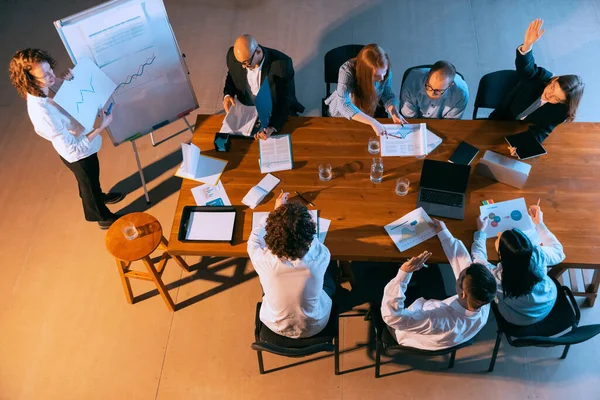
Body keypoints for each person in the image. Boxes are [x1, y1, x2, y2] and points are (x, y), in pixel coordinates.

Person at [9, 48, 123, 230]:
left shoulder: (43, 89)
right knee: (88, 182)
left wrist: (68, 81)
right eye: (44, 75)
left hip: (81, 140)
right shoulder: (42, 112)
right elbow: (74, 149)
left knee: (90, 180)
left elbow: (61, 91)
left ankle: (98, 196)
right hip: (78, 153)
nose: (51, 75)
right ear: (29, 80)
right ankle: (102, 217)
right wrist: (102, 125)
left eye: (49, 70)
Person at [380, 221, 497, 350]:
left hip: (405, 330)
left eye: (459, 279)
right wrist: (443, 232)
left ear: (463, 293)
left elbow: (393, 317)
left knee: (382, 278)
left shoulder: (437, 321)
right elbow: (464, 262)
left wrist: (403, 274)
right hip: (439, 321)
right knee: (431, 270)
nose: (459, 275)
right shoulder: (483, 298)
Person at [489, 19, 584, 156]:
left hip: (519, 129)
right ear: (554, 79)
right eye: (552, 88)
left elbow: (543, 131)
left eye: (556, 98)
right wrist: (527, 45)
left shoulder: (562, 111)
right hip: (501, 116)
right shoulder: (541, 77)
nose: (548, 95)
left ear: (563, 102)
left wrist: (524, 145)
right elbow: (526, 69)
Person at [247, 192, 336, 338]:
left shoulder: (262, 260)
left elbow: (253, 241)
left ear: (270, 237)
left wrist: (275, 213)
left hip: (276, 326)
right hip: (315, 325)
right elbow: (314, 240)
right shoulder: (321, 255)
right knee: (330, 275)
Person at [473, 204, 565, 325]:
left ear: (501, 254)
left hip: (518, 318)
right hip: (546, 303)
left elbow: (478, 260)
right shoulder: (538, 254)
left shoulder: (496, 277)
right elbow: (559, 253)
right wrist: (539, 223)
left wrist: (480, 232)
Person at [223, 34, 304, 140]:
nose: (243, 66)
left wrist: (272, 127)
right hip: (246, 107)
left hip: (272, 110)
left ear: (258, 52)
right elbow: (231, 75)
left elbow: (285, 100)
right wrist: (227, 94)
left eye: (246, 63)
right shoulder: (233, 56)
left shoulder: (282, 64)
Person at [324, 44, 406, 136]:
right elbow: (344, 105)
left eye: (384, 72)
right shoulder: (346, 70)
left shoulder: (384, 69)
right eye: (375, 75)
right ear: (365, 72)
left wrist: (393, 111)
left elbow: (387, 95)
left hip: (366, 115)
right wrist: (373, 122)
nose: (382, 78)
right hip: (341, 117)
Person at [399, 60, 469, 119]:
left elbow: (450, 123)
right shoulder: (411, 83)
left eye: (438, 91)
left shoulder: (461, 94)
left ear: (450, 85)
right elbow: (410, 119)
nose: (431, 93)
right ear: (428, 75)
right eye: (429, 86)